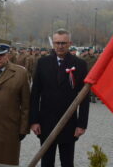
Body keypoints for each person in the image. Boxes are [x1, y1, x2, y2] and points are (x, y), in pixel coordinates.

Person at [30, 29, 89, 167]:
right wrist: (33, 121)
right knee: (47, 162)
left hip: (69, 122)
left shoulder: (80, 64)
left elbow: (84, 97)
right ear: (53, 43)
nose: (60, 46)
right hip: (46, 122)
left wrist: (82, 124)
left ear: (70, 43)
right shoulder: (42, 63)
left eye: (63, 43)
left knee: (67, 162)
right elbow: (35, 93)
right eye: (57, 43)